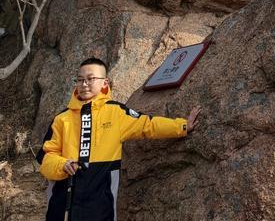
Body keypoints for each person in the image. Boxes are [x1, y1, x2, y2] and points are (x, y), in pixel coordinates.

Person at [38, 56, 199, 221]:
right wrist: (62, 164)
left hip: (101, 204)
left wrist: (182, 126)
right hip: (62, 204)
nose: (84, 84)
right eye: (80, 80)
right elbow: (45, 158)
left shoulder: (116, 112)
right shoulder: (61, 118)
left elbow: (149, 125)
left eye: (90, 79)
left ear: (105, 83)